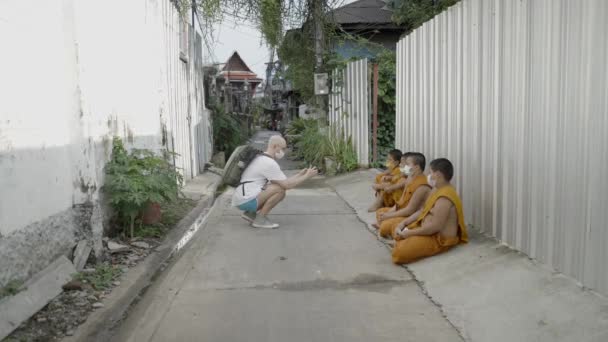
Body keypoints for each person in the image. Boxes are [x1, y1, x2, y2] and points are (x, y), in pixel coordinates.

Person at [390, 158, 468, 264]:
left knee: (399, 252)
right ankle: (404, 240)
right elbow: (423, 210)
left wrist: (409, 233)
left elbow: (435, 227)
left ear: (438, 175)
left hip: (438, 239)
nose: (429, 175)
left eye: (430, 172)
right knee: (395, 227)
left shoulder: (445, 197)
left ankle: (403, 243)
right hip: (424, 228)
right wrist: (404, 223)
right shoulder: (436, 189)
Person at [231, 135, 318, 229]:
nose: (284, 152)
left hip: (243, 197)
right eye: (283, 148)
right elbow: (286, 185)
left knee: (277, 186)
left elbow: (284, 181)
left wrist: (300, 175)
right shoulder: (269, 163)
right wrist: (306, 176)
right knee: (280, 190)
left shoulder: (261, 157)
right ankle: (260, 220)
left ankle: (250, 214)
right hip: (246, 199)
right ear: (275, 146)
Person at [373, 152, 432, 239]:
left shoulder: (422, 185)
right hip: (402, 209)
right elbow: (401, 202)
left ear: (417, 167)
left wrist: (389, 216)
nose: (404, 167)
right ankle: (388, 227)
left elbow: (410, 210)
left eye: (407, 164)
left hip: (413, 216)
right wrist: (388, 213)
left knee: (385, 226)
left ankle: (394, 231)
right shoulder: (410, 178)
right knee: (380, 212)